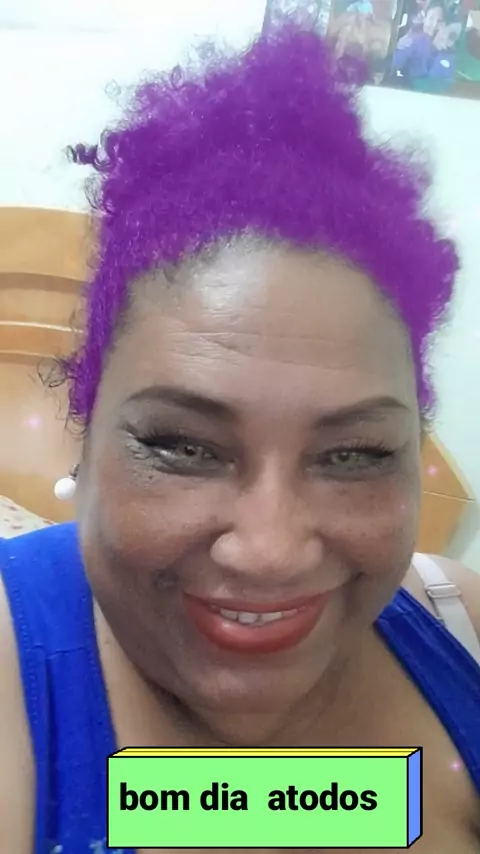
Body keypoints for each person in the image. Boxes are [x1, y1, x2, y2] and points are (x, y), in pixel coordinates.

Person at [0, 24, 479, 854]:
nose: (270, 553)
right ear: (87, 428)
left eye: (354, 455)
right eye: (184, 447)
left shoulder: (462, 625)